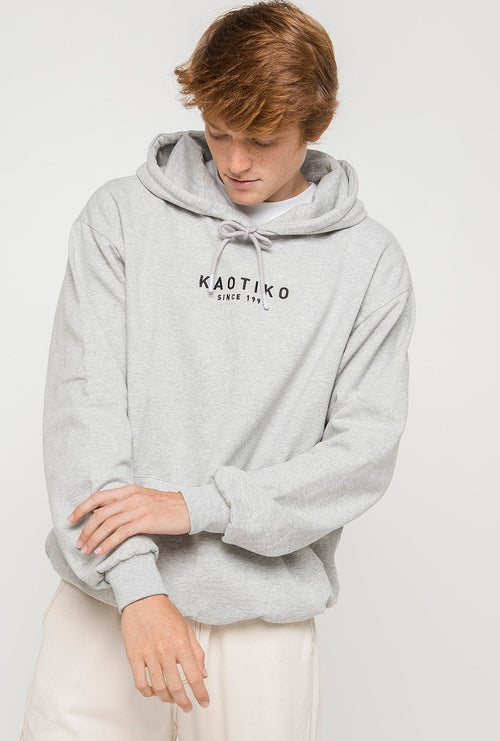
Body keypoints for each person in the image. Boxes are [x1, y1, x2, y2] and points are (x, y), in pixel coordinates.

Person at [19, 1, 416, 739]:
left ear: (315, 125)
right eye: (219, 131)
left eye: (262, 140)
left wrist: (198, 505)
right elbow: (83, 409)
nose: (234, 161)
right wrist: (137, 587)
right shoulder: (122, 217)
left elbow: (361, 455)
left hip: (261, 618)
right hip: (107, 598)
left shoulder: (369, 264)